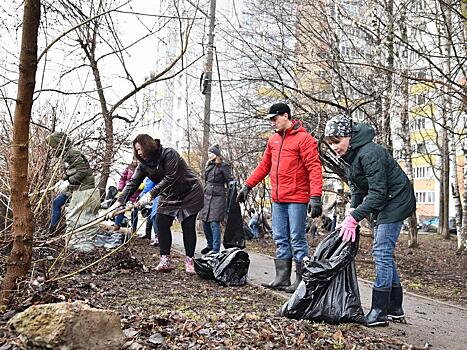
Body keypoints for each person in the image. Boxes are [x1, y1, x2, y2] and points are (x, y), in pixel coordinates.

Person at [324, 115, 416, 327]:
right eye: (330, 144)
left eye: (337, 141)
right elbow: (357, 187)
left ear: (349, 136)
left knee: (381, 251)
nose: (334, 148)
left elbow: (378, 194)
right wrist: (352, 210)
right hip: (386, 201)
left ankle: (379, 311)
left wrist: (354, 217)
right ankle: (395, 308)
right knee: (384, 251)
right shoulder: (351, 156)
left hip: (396, 200)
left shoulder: (369, 153)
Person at [236, 102, 323, 293]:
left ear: (286, 116)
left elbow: (314, 168)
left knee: (296, 238)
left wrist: (315, 196)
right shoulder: (273, 141)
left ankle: (301, 280)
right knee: (280, 238)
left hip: (297, 198)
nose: (273, 123)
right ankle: (282, 278)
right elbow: (264, 166)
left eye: (275, 119)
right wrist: (247, 186)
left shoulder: (304, 139)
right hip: (278, 198)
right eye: (271, 120)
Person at [106, 134, 203, 274]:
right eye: (136, 150)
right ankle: (165, 260)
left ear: (148, 146)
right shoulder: (144, 165)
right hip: (169, 194)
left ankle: (190, 260)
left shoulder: (169, 154)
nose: (139, 153)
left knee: (187, 225)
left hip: (189, 191)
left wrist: (150, 194)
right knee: (161, 221)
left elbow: (170, 178)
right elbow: (133, 184)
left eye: (140, 149)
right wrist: (118, 203)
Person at [46, 132, 99, 253]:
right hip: (74, 187)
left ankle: (79, 244)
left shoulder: (73, 153)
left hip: (83, 188)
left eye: (53, 146)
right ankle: (51, 231)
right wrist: (63, 180)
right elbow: (72, 170)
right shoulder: (66, 154)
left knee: (76, 216)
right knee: (56, 203)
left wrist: (68, 182)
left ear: (59, 144)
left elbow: (82, 172)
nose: (52, 149)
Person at [200, 144, 233, 254]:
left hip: (218, 196)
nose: (209, 155)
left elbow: (229, 179)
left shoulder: (223, 165)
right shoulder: (208, 165)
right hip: (207, 195)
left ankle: (215, 248)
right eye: (209, 153)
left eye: (212, 153)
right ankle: (209, 245)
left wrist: (232, 190)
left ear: (217, 154)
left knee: (214, 223)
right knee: (204, 222)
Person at [113, 160, 142, 232]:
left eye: (138, 160)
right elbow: (122, 179)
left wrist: (143, 186)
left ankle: (133, 228)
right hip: (126, 192)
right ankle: (117, 225)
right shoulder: (129, 168)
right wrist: (120, 189)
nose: (137, 162)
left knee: (134, 211)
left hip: (136, 194)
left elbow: (147, 180)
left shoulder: (143, 168)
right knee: (121, 208)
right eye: (135, 160)